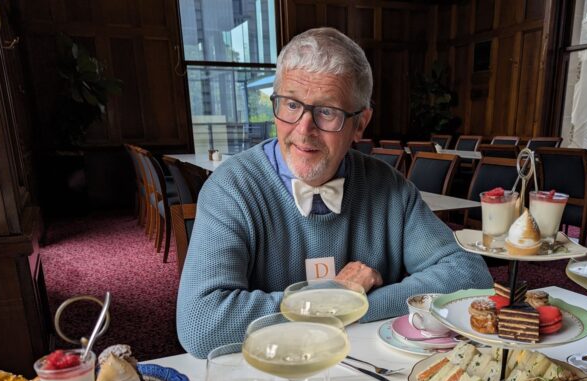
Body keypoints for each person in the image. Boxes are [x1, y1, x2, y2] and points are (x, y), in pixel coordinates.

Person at [177, 27, 492, 358]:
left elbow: (470, 276)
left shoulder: (389, 186)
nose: (303, 129)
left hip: (371, 374)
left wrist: (349, 305)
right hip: (272, 380)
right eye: (291, 104)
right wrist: (337, 293)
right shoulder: (232, 188)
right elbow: (203, 325)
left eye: (327, 111)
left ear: (360, 124)